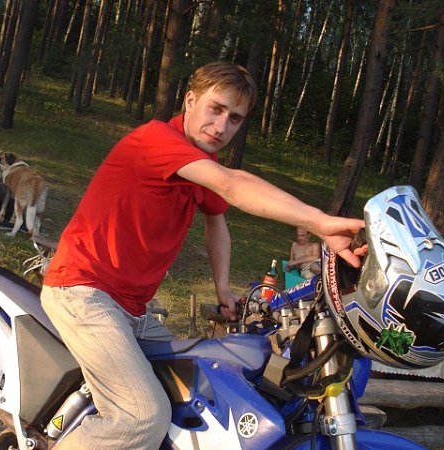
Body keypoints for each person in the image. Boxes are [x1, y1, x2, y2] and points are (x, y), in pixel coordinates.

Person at [40, 61, 365, 450]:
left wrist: (223, 287)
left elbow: (217, 222)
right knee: (141, 417)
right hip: (83, 291)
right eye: (216, 109)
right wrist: (320, 222)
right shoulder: (157, 140)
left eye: (235, 118)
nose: (222, 126)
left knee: (197, 389)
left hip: (133, 310)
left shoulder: (199, 165)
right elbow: (232, 186)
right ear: (190, 101)